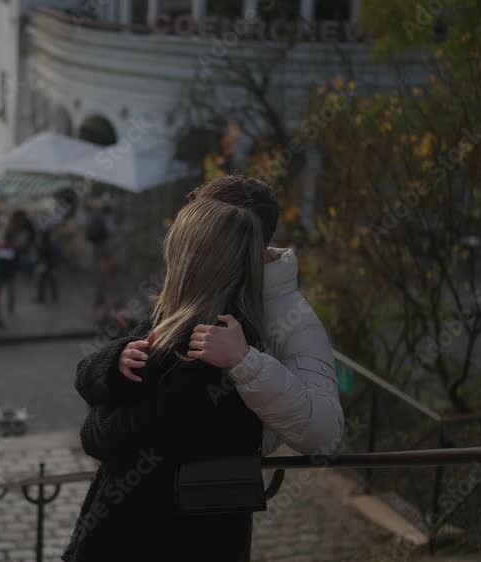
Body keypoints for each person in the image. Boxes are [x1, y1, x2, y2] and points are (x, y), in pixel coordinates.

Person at [74, 174, 343, 457]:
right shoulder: (199, 297)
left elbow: (325, 435)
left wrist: (246, 363)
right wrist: (116, 360)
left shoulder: (287, 314)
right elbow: (98, 387)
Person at [63, 198, 268, 562]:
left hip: (153, 540)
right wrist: (116, 361)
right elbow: (84, 374)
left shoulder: (205, 343)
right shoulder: (176, 320)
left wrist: (99, 414)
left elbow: (109, 439)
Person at [0, 234, 18, 316]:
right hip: (1, 274)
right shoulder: (0, 248)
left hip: (9, 274)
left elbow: (16, 261)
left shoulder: (12, 248)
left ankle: (10, 308)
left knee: (10, 293)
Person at [35, 228, 60, 303]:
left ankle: (41, 297)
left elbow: (41, 255)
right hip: (51, 264)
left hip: (46, 264)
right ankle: (53, 296)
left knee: (42, 281)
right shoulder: (52, 243)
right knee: (51, 280)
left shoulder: (44, 244)